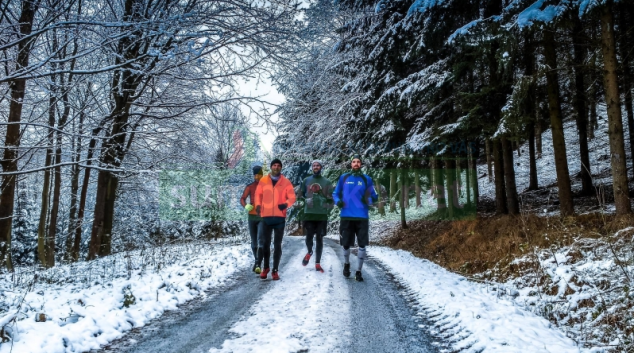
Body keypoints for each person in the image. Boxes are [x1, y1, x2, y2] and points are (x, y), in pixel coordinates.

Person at [333, 154, 378, 282]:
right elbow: (335, 193)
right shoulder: (344, 178)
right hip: (346, 216)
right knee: (346, 244)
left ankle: (358, 271)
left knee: (362, 245)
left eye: (358, 162)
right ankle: (346, 264)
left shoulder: (366, 179)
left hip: (362, 217)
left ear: (361, 164)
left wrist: (367, 199)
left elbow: (375, 196)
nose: (356, 164)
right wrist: (338, 201)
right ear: (351, 164)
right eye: (354, 161)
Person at [254, 158, 296, 280]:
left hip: (279, 218)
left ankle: (275, 270)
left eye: (278, 165)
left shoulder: (286, 182)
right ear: (271, 167)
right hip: (266, 217)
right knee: (266, 244)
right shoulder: (263, 181)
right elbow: (258, 195)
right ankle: (266, 267)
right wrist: (257, 206)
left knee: (277, 245)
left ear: (280, 168)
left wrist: (286, 204)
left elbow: (292, 198)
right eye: (274, 165)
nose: (276, 167)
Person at [300, 160, 334, 273]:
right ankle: (309, 252)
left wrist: (325, 205)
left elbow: (331, 199)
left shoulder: (327, 182)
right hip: (309, 213)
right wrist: (305, 201)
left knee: (320, 238)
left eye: (318, 165)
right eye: (314, 165)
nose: (315, 167)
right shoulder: (306, 180)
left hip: (321, 215)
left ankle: (317, 264)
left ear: (321, 167)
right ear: (312, 168)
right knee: (309, 236)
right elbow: (300, 195)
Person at [240, 165, 264, 274]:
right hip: (251, 217)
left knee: (260, 241)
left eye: (259, 174)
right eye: (255, 175)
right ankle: (257, 261)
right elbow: (242, 198)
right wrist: (245, 205)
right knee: (254, 243)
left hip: (262, 217)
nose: (257, 177)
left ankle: (258, 264)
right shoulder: (249, 187)